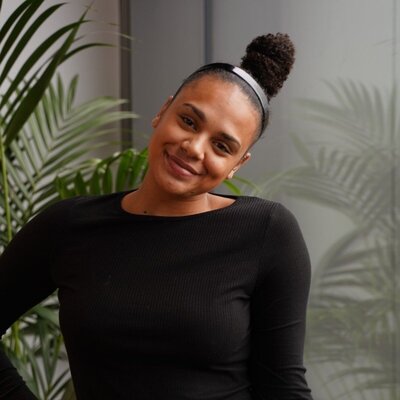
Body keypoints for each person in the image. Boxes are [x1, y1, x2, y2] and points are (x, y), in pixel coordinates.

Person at [0, 33, 313, 399]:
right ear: (163, 112)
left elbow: (283, 386)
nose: (194, 148)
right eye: (189, 121)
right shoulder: (68, 227)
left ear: (237, 165)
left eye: (221, 145)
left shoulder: (267, 232)